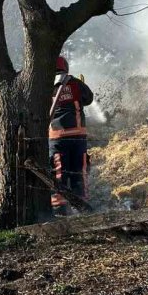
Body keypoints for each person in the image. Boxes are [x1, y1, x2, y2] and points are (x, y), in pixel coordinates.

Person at [49, 55, 93, 214]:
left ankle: (59, 209)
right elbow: (88, 99)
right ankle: (82, 208)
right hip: (78, 137)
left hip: (57, 138)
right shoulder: (75, 82)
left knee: (59, 172)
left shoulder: (45, 85)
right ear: (65, 67)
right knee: (79, 172)